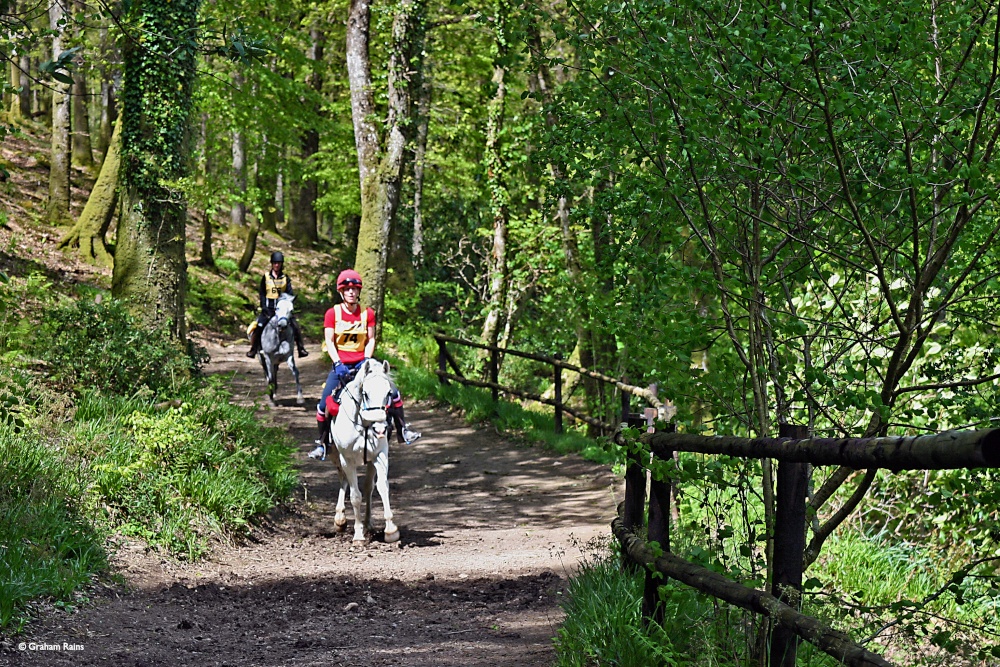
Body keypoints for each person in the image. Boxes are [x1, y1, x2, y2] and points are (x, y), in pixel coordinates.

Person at [309, 268, 421, 459]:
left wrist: (367, 359)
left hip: (363, 362)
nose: (351, 292)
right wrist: (337, 362)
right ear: (341, 292)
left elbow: (370, 339)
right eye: (347, 289)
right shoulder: (332, 313)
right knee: (323, 404)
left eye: (354, 288)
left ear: (359, 291)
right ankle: (323, 443)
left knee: (392, 392)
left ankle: (403, 430)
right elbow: (329, 340)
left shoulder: (367, 313)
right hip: (341, 364)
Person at [246, 251, 309, 359]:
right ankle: (253, 349)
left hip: (282, 310)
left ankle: (300, 348)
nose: (277, 265)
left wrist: (288, 305)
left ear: (281, 264)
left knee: (295, 326)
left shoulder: (285, 278)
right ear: (272, 263)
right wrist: (263, 307)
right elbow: (262, 293)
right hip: (268, 309)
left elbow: (290, 294)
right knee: (259, 326)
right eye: (275, 263)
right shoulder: (265, 277)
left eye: (279, 263)